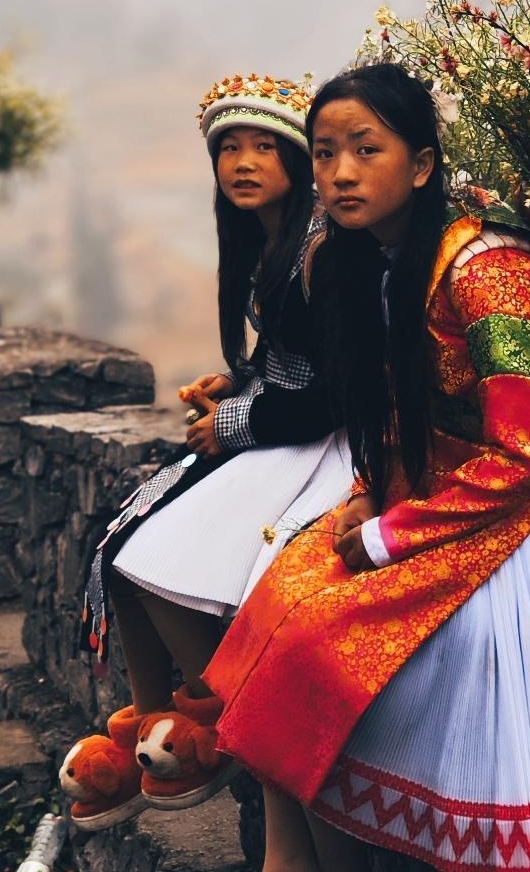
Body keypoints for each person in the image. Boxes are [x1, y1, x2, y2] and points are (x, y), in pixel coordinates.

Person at [170, 63, 530, 872]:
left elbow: (524, 457)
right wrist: (370, 494)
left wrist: (390, 534)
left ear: (421, 164)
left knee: (321, 628)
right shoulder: (366, 265)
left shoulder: (493, 276)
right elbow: (398, 414)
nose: (339, 173)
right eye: (325, 153)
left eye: (367, 150)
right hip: (444, 493)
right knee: (283, 582)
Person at [61, 73, 353, 831]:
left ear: (300, 158)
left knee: (161, 563)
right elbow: (291, 358)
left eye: (264, 146)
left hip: (324, 446)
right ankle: (153, 719)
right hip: (286, 426)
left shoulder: (327, 250)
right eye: (228, 148)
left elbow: (335, 389)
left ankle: (220, 722)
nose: (243, 162)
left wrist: (233, 424)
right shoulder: (274, 242)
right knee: (122, 546)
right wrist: (239, 379)